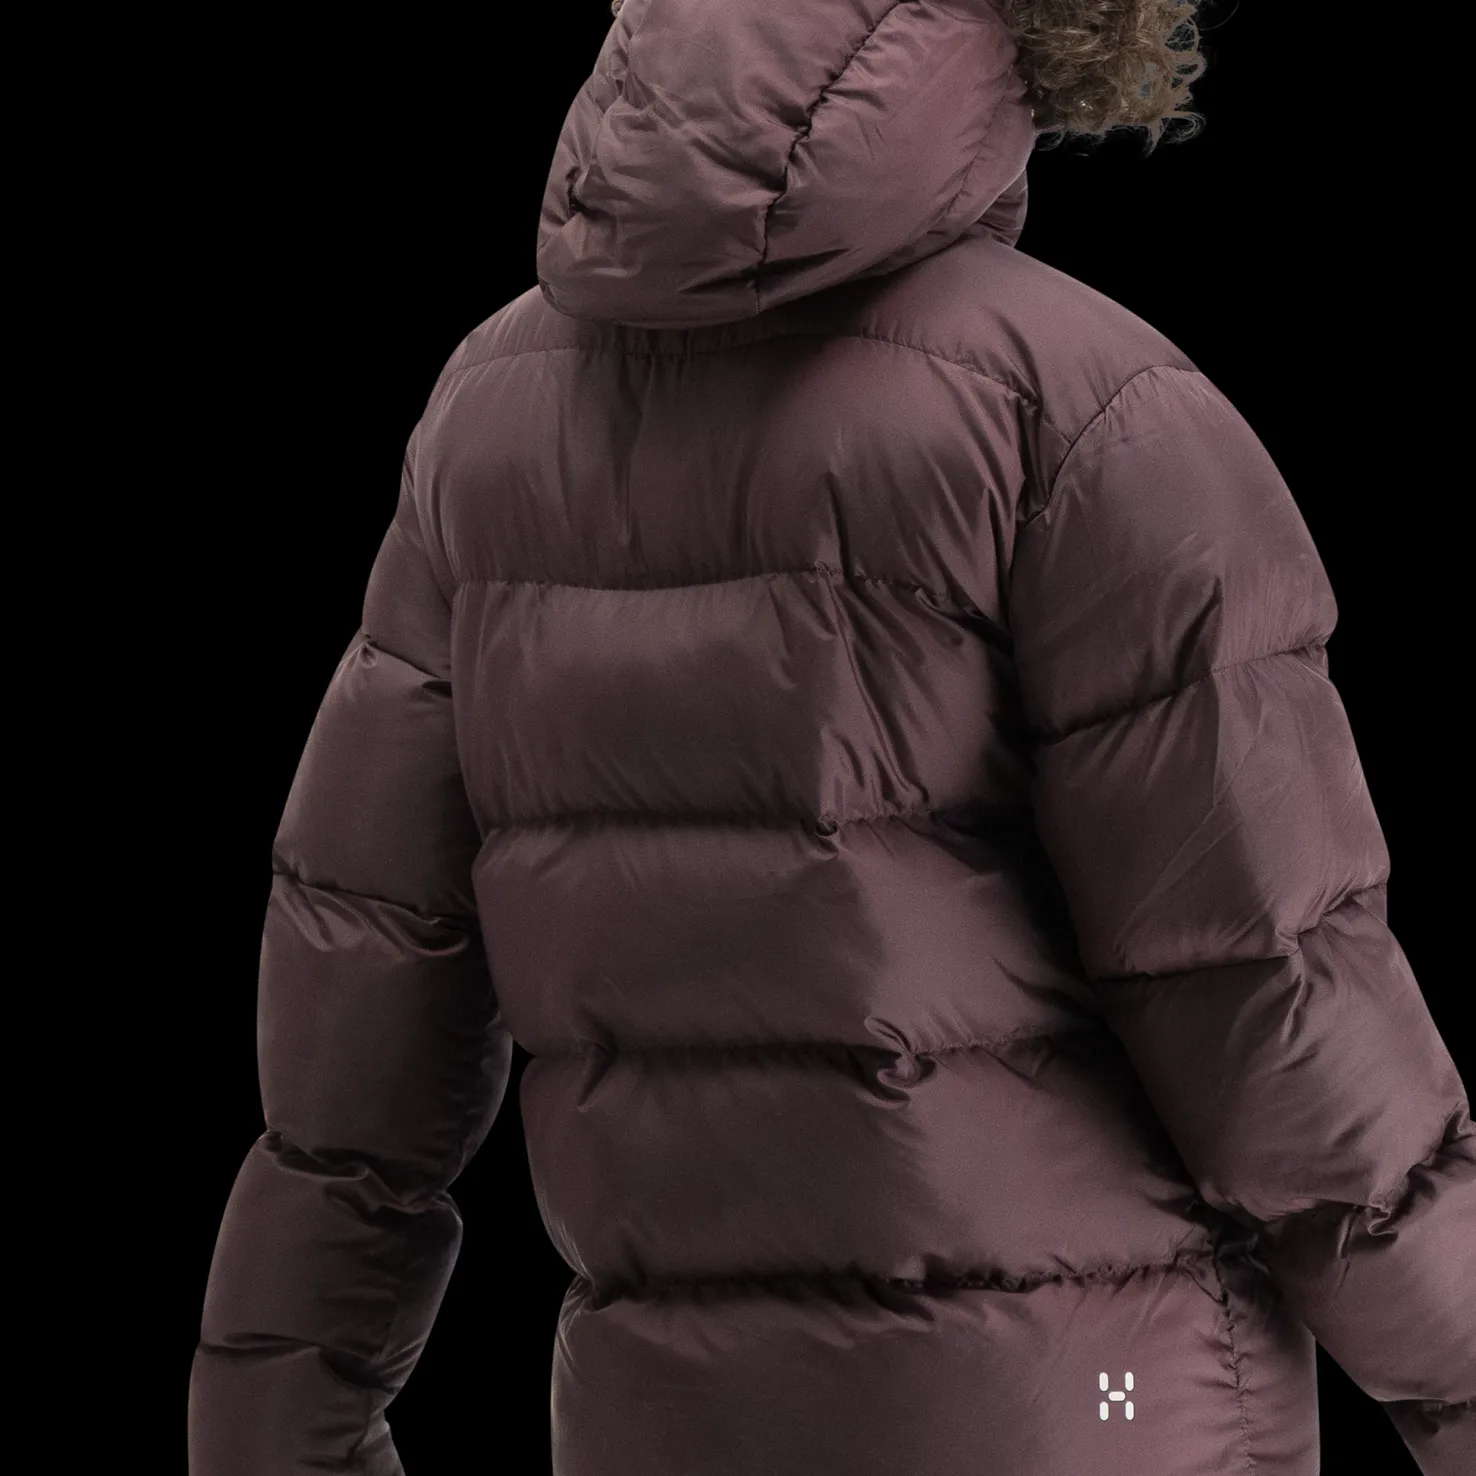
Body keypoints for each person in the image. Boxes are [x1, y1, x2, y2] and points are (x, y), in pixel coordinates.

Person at [186, 1, 1475, 1472]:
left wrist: (279, 1421)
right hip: (1097, 1411)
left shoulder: (488, 413)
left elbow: (360, 994)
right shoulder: (1084, 411)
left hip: (661, 1427)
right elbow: (1265, 988)